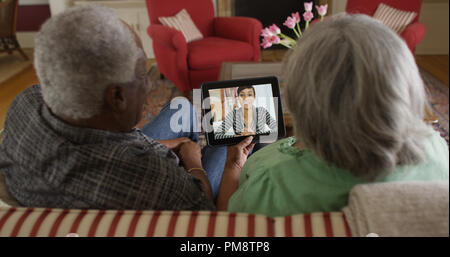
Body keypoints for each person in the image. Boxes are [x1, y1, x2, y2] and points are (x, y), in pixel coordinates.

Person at [0, 6, 254, 210]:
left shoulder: (25, 103)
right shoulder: (158, 182)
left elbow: (107, 145)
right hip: (147, 180)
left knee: (181, 107)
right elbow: (205, 215)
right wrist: (196, 159)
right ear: (118, 97)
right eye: (143, 74)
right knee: (227, 141)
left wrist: (169, 145)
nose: (149, 83)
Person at [219, 14, 449, 216]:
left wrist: (233, 166)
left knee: (217, 149)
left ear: (301, 99)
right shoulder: (438, 153)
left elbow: (230, 223)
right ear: (406, 84)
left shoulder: (270, 183)